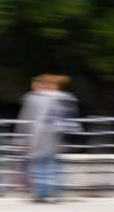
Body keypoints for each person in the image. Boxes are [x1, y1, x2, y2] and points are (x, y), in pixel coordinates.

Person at [16, 74, 79, 203]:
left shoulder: (34, 98)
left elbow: (26, 119)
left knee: (39, 164)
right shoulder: (63, 97)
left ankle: (41, 193)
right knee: (52, 163)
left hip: (39, 136)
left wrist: (21, 138)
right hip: (56, 136)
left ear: (38, 85)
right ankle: (54, 192)